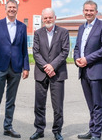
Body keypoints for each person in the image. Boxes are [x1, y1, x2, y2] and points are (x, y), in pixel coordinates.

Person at [0, 0, 30, 140]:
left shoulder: (22, 27)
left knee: (11, 100)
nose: (12, 9)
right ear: (5, 9)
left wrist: (26, 67)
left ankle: (8, 127)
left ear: (17, 9)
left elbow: (24, 49)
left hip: (16, 68)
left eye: (14, 7)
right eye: (9, 7)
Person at [74, 0, 102, 140]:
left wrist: (87, 59)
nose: (88, 13)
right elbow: (77, 47)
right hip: (83, 71)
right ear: (83, 11)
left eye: (91, 10)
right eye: (86, 10)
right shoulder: (81, 28)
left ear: (96, 11)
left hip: (97, 71)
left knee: (97, 104)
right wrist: (77, 59)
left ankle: (97, 134)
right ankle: (92, 129)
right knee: (91, 104)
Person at [30, 8, 70, 140]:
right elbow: (35, 52)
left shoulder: (63, 32)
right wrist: (46, 67)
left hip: (57, 73)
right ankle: (39, 129)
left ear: (55, 18)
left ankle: (57, 131)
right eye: (45, 18)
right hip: (41, 73)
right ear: (42, 19)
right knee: (39, 104)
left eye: (50, 17)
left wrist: (52, 65)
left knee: (58, 106)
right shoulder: (38, 33)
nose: (48, 20)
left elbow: (65, 51)